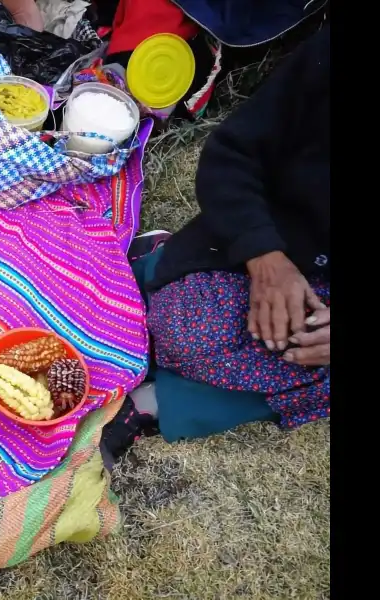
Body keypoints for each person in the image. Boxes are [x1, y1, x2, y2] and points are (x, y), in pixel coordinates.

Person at [101, 26, 330, 459]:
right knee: (178, 331)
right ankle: (159, 263)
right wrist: (265, 257)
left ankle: (151, 405)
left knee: (308, 357)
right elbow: (231, 155)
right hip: (269, 241)